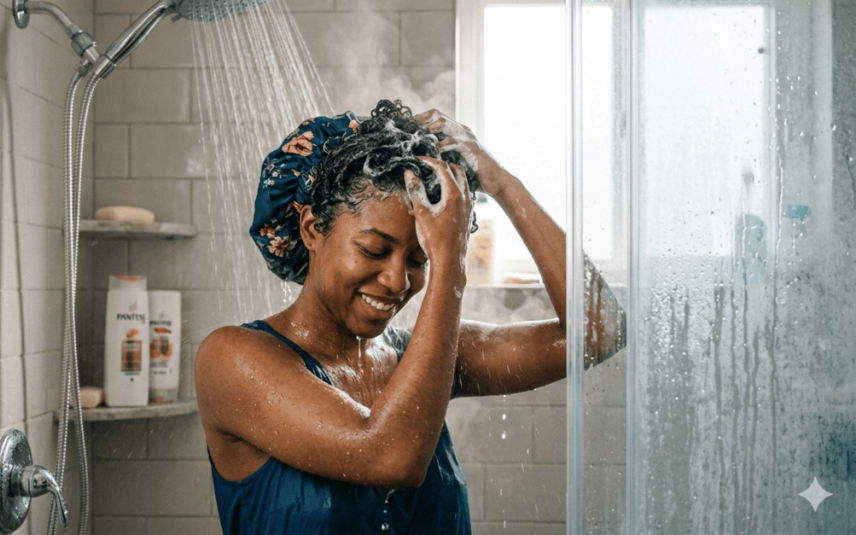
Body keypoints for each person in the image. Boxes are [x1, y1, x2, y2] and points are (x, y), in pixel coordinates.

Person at [195, 100, 623, 534]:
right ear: (311, 229)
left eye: (420, 259)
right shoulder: (233, 359)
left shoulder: (427, 360)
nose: (398, 280)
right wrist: (450, 263)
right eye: (373, 250)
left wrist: (504, 185)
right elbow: (390, 455)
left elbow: (599, 332)